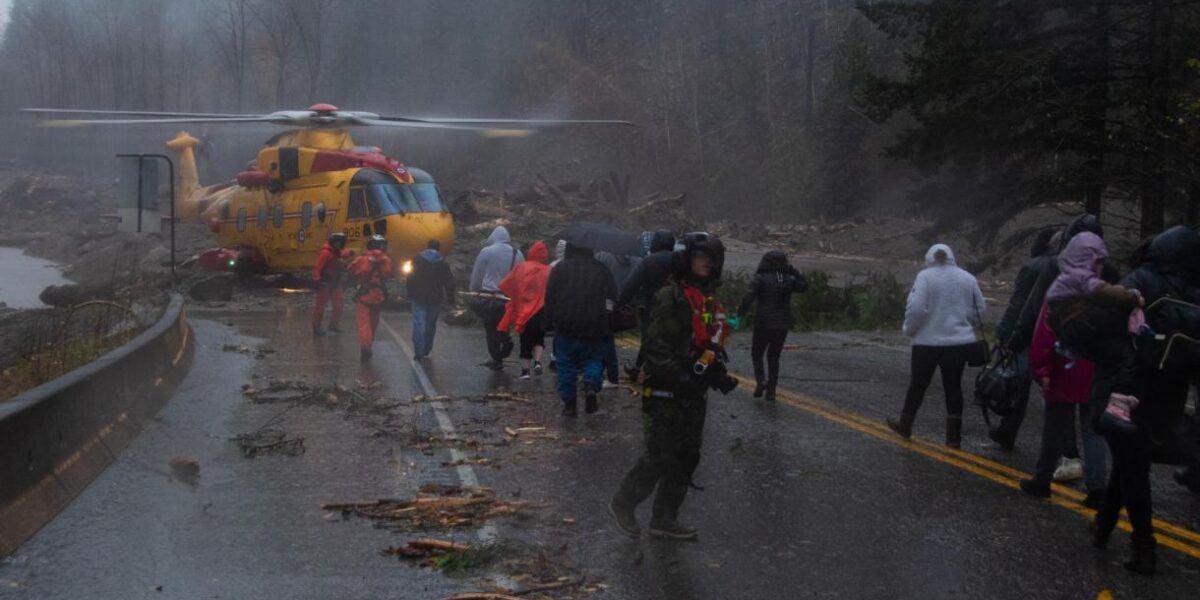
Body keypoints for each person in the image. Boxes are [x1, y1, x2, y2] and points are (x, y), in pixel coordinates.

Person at [610, 232, 735, 540]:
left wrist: (712, 371)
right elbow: (656, 348)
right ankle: (623, 502)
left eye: (712, 258)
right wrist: (680, 376)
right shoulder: (671, 296)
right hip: (666, 390)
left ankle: (664, 517)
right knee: (659, 454)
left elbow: (706, 342)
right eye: (700, 256)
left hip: (693, 392)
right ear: (685, 259)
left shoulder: (706, 298)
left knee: (687, 455)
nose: (707, 263)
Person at [1091, 225, 1200, 575]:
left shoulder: (1142, 279)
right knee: (1129, 457)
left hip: (1131, 384)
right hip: (1172, 388)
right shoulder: (1193, 289)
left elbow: (1105, 324)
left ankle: (1143, 547)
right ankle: (1103, 526)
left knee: (1133, 464)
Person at [993, 214, 1107, 449]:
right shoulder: (1102, 268)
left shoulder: (1046, 265)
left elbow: (1026, 304)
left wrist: (1011, 334)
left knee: (1029, 386)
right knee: (1073, 397)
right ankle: (1072, 455)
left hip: (1041, 335)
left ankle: (1013, 431)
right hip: (1085, 342)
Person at [887, 244, 986, 448]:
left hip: (927, 343)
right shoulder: (968, 278)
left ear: (930, 258)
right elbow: (980, 309)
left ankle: (906, 423)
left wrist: (909, 329)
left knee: (918, 384)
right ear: (952, 257)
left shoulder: (925, 276)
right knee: (953, 387)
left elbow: (916, 308)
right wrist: (967, 327)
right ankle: (953, 437)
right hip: (959, 343)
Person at [1020, 294, 1106, 508]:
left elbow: (1044, 336)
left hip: (1063, 369)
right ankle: (1097, 489)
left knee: (1055, 429)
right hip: (1096, 370)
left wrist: (1041, 370)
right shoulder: (1105, 294)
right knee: (1092, 430)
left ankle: (1042, 480)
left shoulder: (1059, 294)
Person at [989, 228, 1057, 450]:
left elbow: (1018, 303)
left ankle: (1009, 428)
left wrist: (1005, 331)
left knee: (1020, 382)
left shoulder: (1034, 265)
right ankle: (1064, 447)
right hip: (1060, 331)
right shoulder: (1072, 266)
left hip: (1029, 331)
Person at [544, 243, 616, 416]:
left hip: (566, 324)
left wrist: (547, 323)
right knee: (594, 359)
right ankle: (591, 385)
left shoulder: (560, 268)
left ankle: (570, 404)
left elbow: (550, 297)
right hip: (595, 325)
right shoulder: (602, 269)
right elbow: (612, 296)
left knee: (566, 364)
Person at [736, 251, 807, 402]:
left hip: (763, 321)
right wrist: (793, 271)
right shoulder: (789, 279)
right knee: (774, 357)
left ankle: (761, 380)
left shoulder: (761, 278)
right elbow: (804, 286)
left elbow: (749, 297)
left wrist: (739, 314)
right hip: (782, 323)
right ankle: (772, 391)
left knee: (757, 353)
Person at [617, 230, 676, 381]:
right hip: (678, 308)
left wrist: (621, 303)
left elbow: (632, 285)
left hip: (653, 308)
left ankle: (640, 369)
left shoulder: (648, 261)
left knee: (649, 339)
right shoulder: (681, 260)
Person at [469, 226, 524, 370]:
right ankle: (505, 341)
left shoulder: (486, 252)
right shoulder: (517, 253)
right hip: (508, 299)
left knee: (490, 328)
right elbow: (522, 276)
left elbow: (478, 274)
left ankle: (497, 359)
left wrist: (474, 290)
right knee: (503, 325)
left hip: (490, 296)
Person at [497, 240, 551, 379]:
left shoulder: (522, 267)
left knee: (525, 339)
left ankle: (525, 371)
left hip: (524, 310)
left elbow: (508, 284)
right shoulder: (549, 270)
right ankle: (538, 362)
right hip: (542, 309)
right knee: (539, 337)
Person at [597, 250, 641, 388]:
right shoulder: (635, 259)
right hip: (623, 303)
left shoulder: (603, 257)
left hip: (605, 303)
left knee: (603, 340)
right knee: (607, 338)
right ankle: (609, 374)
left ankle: (608, 375)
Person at [347, 235, 394, 363]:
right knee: (374, 322)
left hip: (364, 294)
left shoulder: (362, 259)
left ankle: (365, 346)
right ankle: (369, 343)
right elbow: (390, 273)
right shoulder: (386, 260)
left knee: (363, 323)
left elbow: (350, 269)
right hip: (379, 295)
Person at [407, 239, 455, 359]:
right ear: (438, 248)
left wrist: (409, 293)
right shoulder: (443, 263)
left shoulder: (417, 259)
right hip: (435, 299)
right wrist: (451, 299)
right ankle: (426, 350)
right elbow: (449, 283)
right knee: (430, 326)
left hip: (418, 297)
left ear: (427, 247)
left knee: (419, 324)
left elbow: (410, 277)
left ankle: (418, 351)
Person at [312, 232, 350, 336]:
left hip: (335, 282)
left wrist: (350, 253)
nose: (340, 245)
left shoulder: (337, 252)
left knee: (339, 304)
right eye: (338, 243)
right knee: (320, 307)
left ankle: (333, 325)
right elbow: (317, 268)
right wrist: (317, 281)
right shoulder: (326, 253)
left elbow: (345, 253)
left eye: (341, 243)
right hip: (325, 283)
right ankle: (316, 327)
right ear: (333, 243)